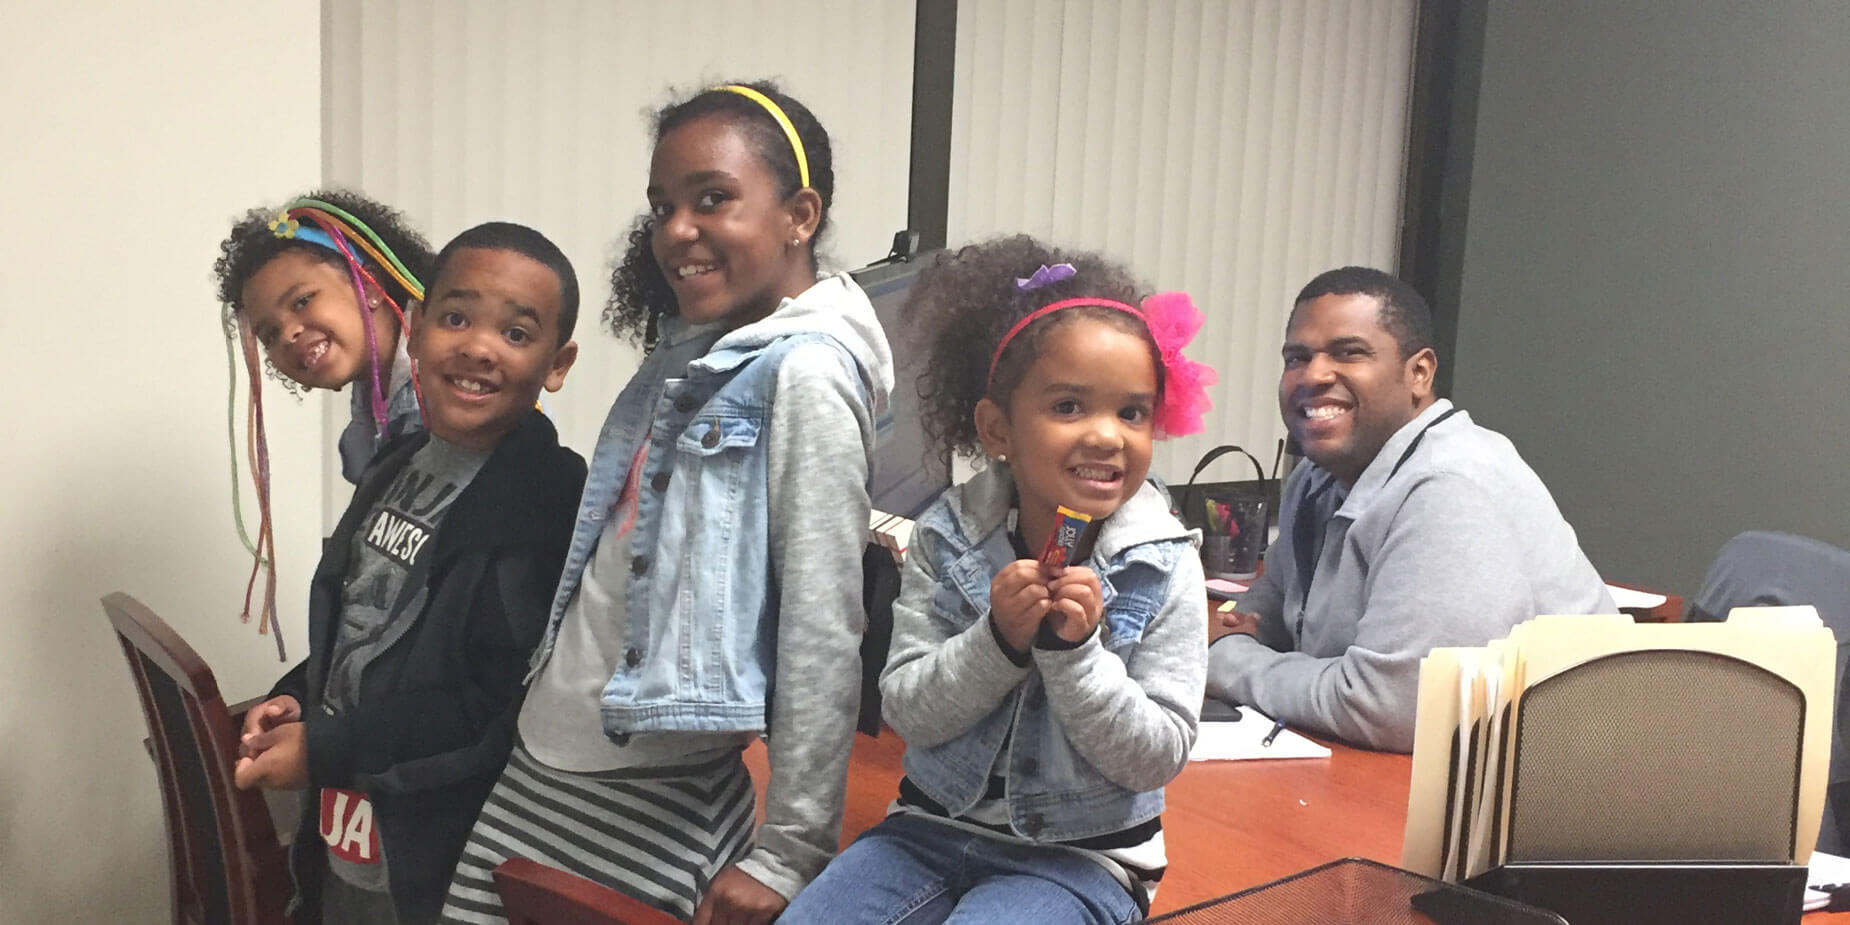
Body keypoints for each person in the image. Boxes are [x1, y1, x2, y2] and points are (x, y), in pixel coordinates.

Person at [439, 80, 892, 925]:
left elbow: (824, 625)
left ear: (800, 214)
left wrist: (793, 848)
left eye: (712, 199)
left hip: (644, 794)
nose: (676, 231)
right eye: (662, 206)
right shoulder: (692, 354)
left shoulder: (808, 376)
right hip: (546, 761)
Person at [783, 237, 1215, 923]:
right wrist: (998, 642)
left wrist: (1076, 658)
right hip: (926, 831)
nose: (1107, 435)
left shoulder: (1161, 562)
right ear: (997, 428)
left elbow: (1156, 756)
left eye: (1131, 412)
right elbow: (905, 708)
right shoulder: (947, 536)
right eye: (1069, 406)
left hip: (1083, 859)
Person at [232, 222, 586, 924]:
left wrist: (329, 745)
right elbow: (362, 624)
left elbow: (488, 704)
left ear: (557, 361)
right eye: (455, 318)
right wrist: (299, 696)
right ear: (418, 327)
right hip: (347, 823)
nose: (479, 346)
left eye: (516, 334)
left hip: (439, 850)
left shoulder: (543, 495)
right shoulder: (396, 462)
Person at [1206, 266, 1612, 752]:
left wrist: (1225, 659)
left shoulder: (1448, 487)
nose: (1313, 375)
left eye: (1348, 352)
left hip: (1553, 791)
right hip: (1420, 775)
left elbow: (1391, 708)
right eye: (1297, 357)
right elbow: (1275, 597)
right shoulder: (1317, 476)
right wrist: (1244, 626)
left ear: (1419, 373)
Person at [214, 191, 436, 641]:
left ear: (370, 286)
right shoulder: (373, 405)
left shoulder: (444, 386)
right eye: (270, 334)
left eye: (301, 302)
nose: (289, 332)